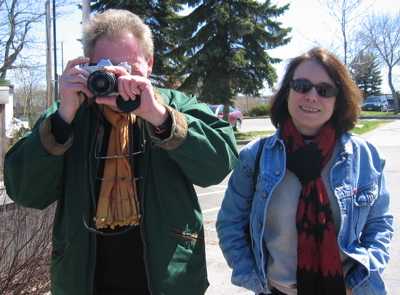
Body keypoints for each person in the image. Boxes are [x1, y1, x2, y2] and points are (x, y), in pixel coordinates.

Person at [4, 9, 238, 295]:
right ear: (87, 67)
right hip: (84, 282)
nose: (118, 80)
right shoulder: (69, 113)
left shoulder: (174, 105)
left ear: (149, 65)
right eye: (107, 67)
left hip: (170, 281)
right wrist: (63, 116)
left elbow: (219, 164)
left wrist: (160, 117)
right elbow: (24, 191)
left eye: (128, 68)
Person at [216, 47, 393, 295]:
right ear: (288, 91)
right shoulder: (255, 156)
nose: (312, 96)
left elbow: (380, 225)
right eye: (301, 86)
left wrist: (356, 284)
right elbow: (230, 224)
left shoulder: (366, 156)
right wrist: (256, 281)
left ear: (338, 99)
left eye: (325, 90)